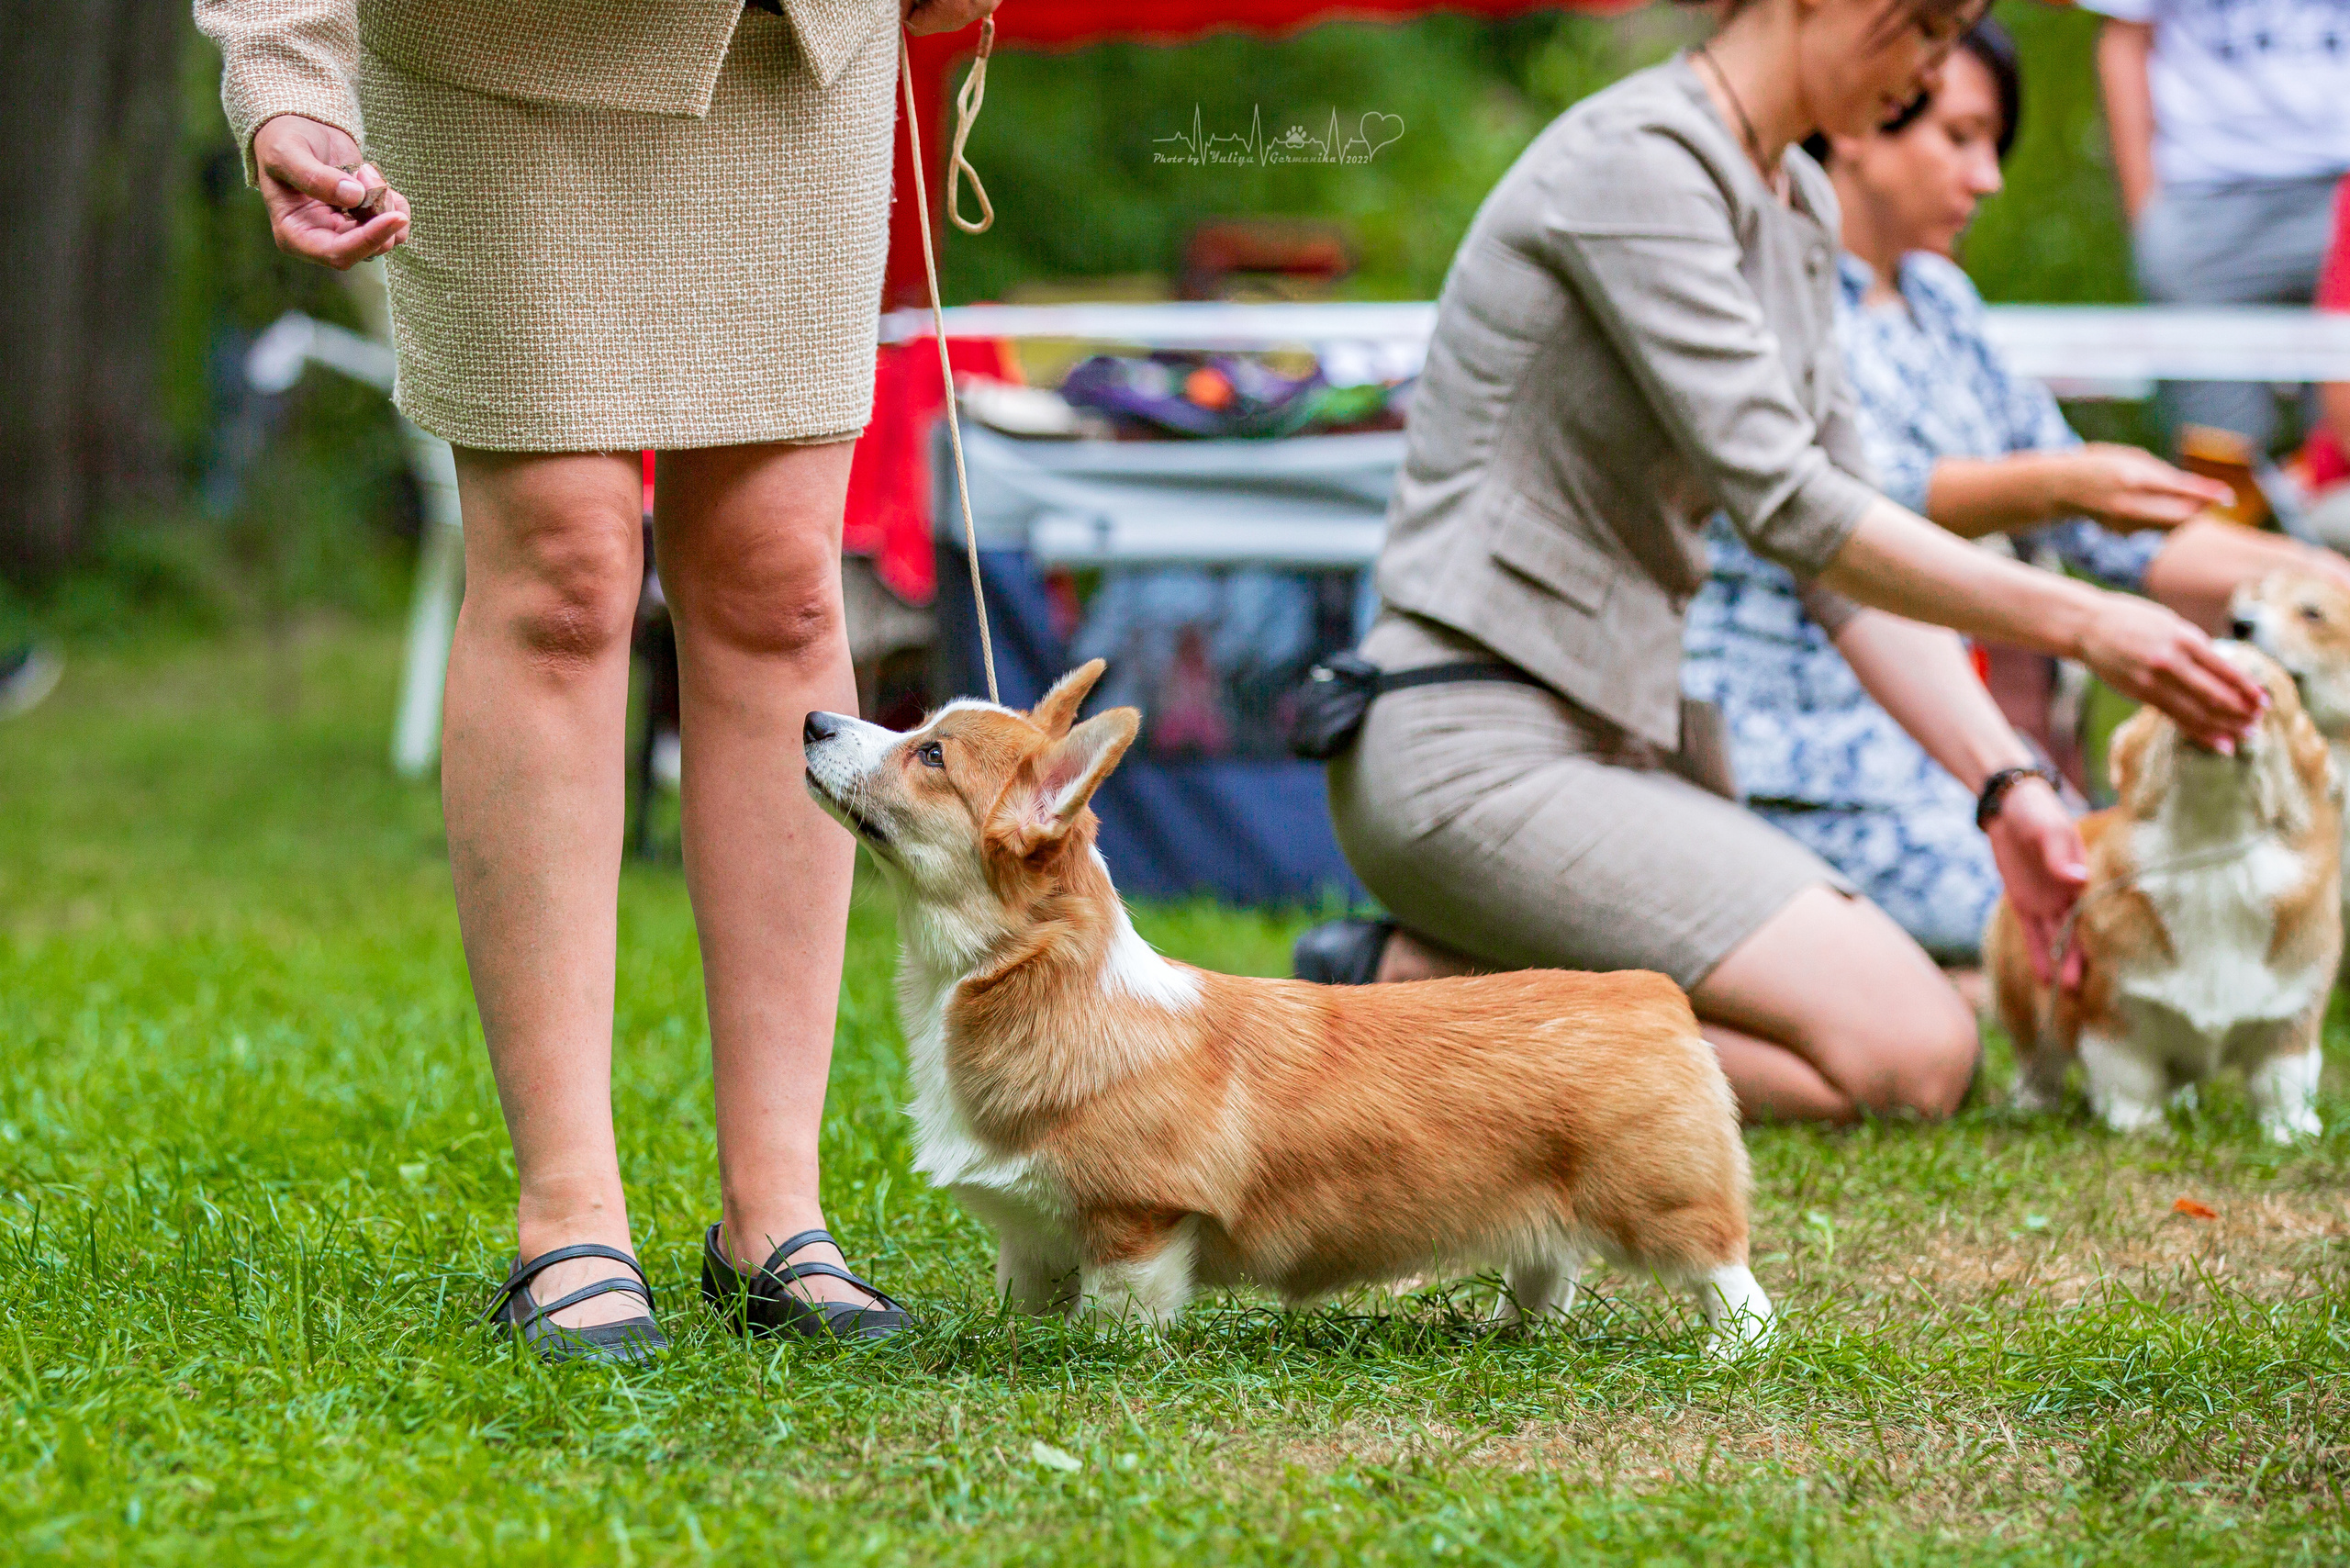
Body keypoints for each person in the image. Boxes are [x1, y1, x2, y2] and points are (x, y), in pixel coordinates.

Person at [1293, 0, 2269, 1128]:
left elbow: (1837, 553)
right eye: (1927, 31)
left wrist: (2006, 787)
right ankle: (1398, 987)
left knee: (1924, 1046)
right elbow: (1793, 505)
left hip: (1624, 748)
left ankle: (1449, 986)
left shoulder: (1794, 201)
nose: (1926, 77)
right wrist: (2090, 624)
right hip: (1470, 751)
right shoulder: (1639, 166)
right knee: (1908, 1057)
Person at [198, 0, 997, 1362]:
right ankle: (567, 1211)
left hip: (795, 57)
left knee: (782, 582)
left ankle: (777, 1218)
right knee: (563, 578)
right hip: (499, 63)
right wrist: (282, 63)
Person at [1684, 19, 2350, 965]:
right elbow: (1848, 505)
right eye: (1958, 137)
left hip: (1969, 764)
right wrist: (2058, 489)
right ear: (1863, 120)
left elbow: (2120, 531)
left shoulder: (1941, 301)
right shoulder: (1766, 296)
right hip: (1812, 770)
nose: (1988, 178)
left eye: (1991, 144)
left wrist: (2309, 573)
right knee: (2156, 916)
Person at [2087, 0, 2350, 449]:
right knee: (2218, 468)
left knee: (2339, 470)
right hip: (2205, 199)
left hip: (2341, 195)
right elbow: (2124, 39)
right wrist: (2151, 221)